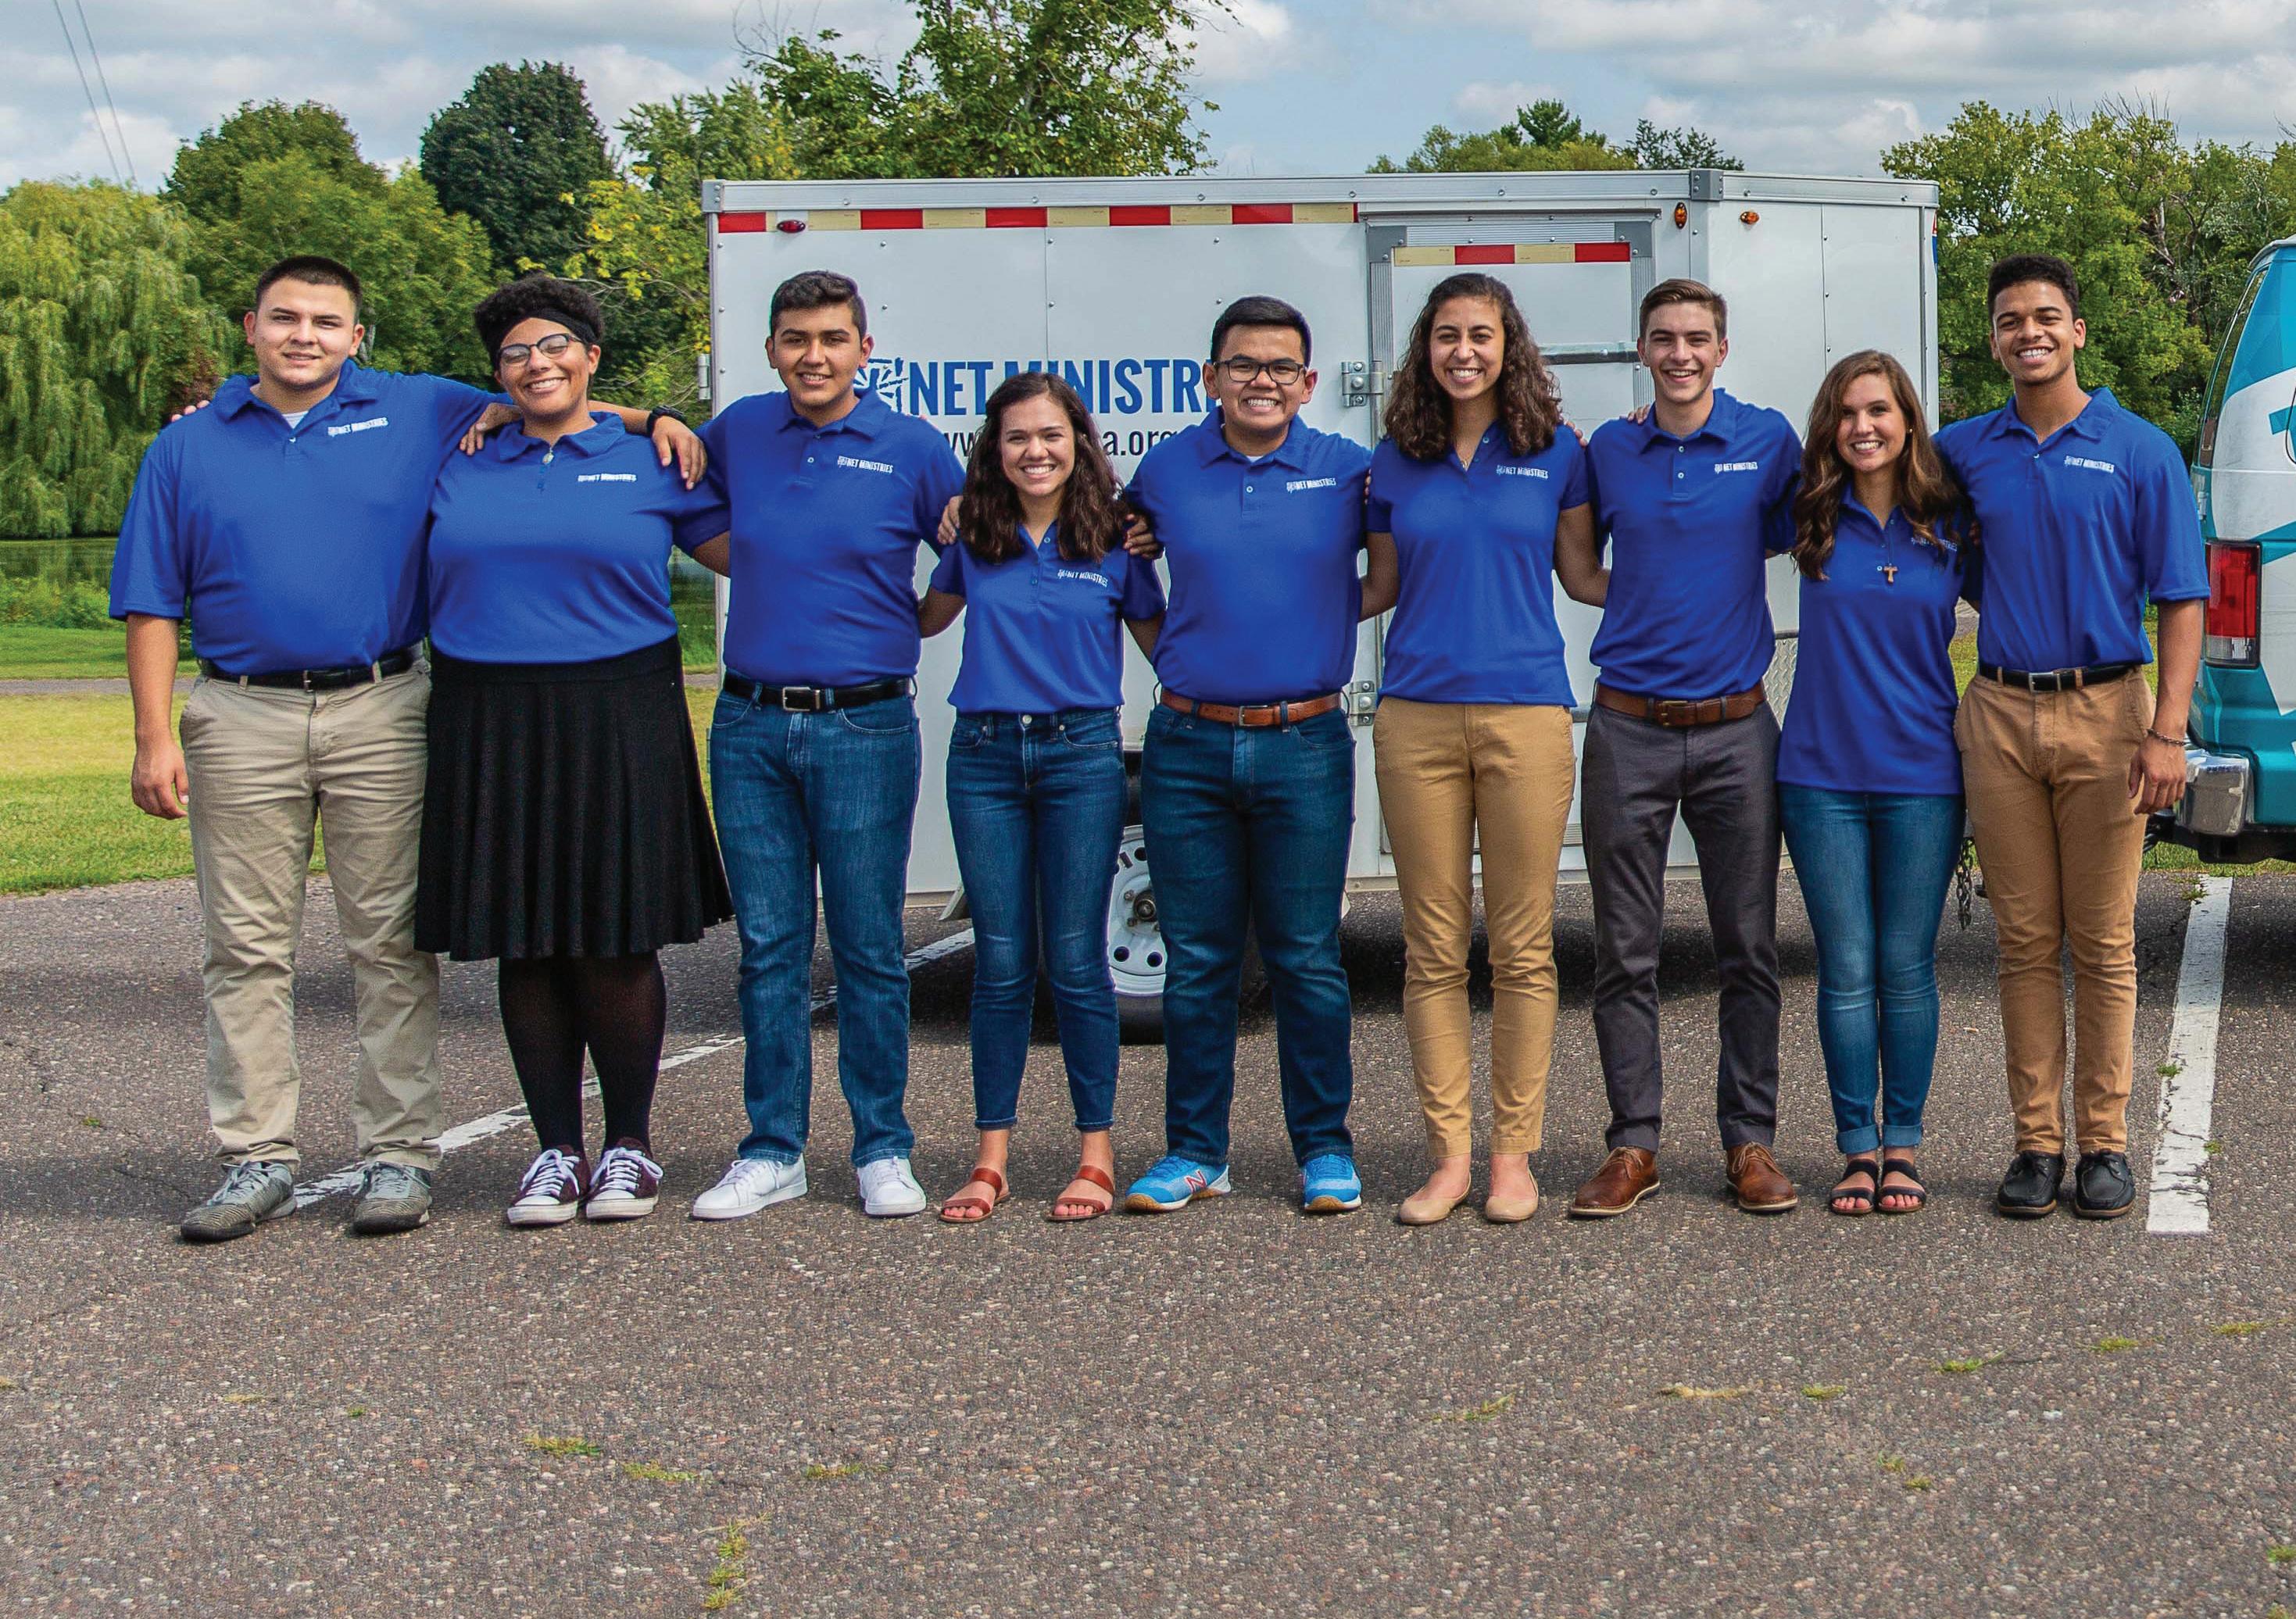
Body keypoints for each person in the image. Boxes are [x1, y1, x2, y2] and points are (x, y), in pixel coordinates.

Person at [109, 255, 700, 1243]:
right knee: (244, 948)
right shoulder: (187, 445)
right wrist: (151, 735)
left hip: (381, 704)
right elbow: (149, 599)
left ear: (356, 336)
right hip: (241, 713)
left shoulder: (418, 408)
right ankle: (256, 1155)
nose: (304, 336)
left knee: (389, 944)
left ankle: (398, 1154)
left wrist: (657, 418)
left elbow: (551, 391)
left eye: (325, 321)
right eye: (285, 318)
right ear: (251, 327)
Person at [417, 276, 733, 1228]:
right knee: (526, 938)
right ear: (496, 372)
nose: (536, 363)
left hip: (619, 709)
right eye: (515, 352)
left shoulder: (653, 457)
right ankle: (555, 1150)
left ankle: (630, 1146)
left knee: (612, 935)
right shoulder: (457, 451)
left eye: (555, 345)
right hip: (486, 713)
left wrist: (658, 415)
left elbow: (761, 553)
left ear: (592, 356)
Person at [688, 270, 966, 1222]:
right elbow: (686, 502)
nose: (814, 355)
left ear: (864, 350)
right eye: (796, 338)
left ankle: (882, 1146)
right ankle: (773, 1150)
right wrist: (762, 560)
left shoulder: (911, 446)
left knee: (868, 945)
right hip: (750, 725)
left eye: (832, 338)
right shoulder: (739, 431)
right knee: (769, 948)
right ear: (771, 348)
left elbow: (968, 541)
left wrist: (921, 618)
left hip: (864, 725)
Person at [1937, 253, 2206, 1221]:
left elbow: (2182, 599)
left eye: (2045, 316)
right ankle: (2034, 1143)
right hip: (2001, 711)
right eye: (2011, 320)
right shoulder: (1962, 451)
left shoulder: (2140, 450)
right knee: (2021, 941)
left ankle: (2103, 1142)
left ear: (2077, 330)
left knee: (2101, 940)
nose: (2030, 333)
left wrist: (2167, 731)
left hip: (2109, 712)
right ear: (1993, 340)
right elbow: (1863, 470)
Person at [1118, 295, 1393, 1217]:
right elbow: (1125, 571)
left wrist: (1313, 621)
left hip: (1304, 743)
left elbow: (1389, 573)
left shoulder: (1348, 471)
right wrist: (1176, 655)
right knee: (1198, 959)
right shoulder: (1165, 470)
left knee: (1305, 956)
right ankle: (1196, 1150)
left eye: (1280, 366)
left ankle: (1324, 1147)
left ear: (1308, 383)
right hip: (1187, 744)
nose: (1261, 380)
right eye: (1242, 364)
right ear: (1211, 377)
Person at [1363, 273, 1607, 1226]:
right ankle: (1448, 1158)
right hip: (1415, 719)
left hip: (1526, 716)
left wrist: (1697, 579)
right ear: (1424, 348)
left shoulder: (1556, 454)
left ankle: (1513, 1154)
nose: (1463, 351)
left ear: (1511, 348)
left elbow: (1583, 576)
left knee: (1522, 947)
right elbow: (1377, 587)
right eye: (1446, 335)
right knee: (1430, 949)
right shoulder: (1393, 460)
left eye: (1481, 335)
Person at [1569, 278, 1804, 1220]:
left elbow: (1805, 526)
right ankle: (1633, 1145)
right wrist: (1645, 594)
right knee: (1624, 950)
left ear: (1721, 349)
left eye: (1696, 338)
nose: (1679, 353)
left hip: (1735, 729)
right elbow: (1578, 569)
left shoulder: (1766, 441)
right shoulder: (1607, 449)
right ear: (1641, 347)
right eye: (1663, 338)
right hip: (1626, 727)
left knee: (1748, 945)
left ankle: (1749, 1141)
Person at [917, 373, 1166, 1224]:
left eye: (1051, 435)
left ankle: (1095, 1154)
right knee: (1000, 961)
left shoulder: (1116, 541)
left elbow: (1167, 646)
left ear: (1079, 444)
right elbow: (922, 620)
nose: (1036, 451)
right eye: (1017, 437)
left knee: (1076, 958)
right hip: (984, 756)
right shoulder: (974, 536)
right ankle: (990, 1158)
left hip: (1079, 755)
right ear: (994, 449)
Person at [1776, 352, 1972, 1217]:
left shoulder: (1951, 522)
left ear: (1907, 421)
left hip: (1924, 776)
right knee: (1846, 967)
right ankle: (1856, 1147)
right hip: (1818, 776)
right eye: (1847, 413)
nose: (1863, 427)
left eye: (1879, 410)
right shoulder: (1808, 511)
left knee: (1907, 966)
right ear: (1830, 426)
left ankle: (1904, 1147)